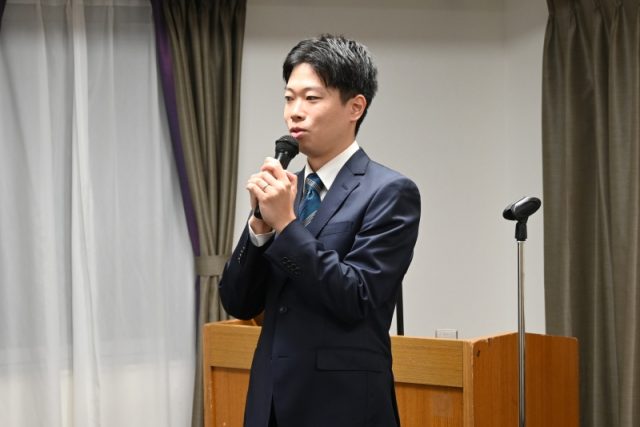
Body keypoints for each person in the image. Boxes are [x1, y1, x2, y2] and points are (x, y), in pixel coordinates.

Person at [219, 34, 421, 427]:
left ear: (355, 107)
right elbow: (238, 302)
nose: (294, 112)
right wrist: (260, 225)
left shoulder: (389, 192)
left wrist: (287, 224)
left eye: (311, 98)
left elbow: (357, 298)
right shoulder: (286, 192)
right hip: (269, 404)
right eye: (288, 98)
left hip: (343, 407)